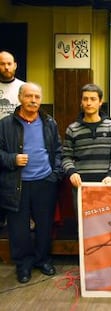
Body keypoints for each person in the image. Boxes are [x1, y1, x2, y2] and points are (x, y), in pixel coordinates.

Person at [0, 82, 62, 283]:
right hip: (17, 184)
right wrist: (12, 159)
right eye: (29, 96)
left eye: (37, 96)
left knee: (45, 226)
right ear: (20, 98)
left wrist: (55, 174)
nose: (33, 100)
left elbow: (58, 150)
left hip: (45, 182)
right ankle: (23, 265)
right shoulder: (5, 124)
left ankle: (43, 260)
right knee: (19, 229)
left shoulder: (49, 122)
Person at [62, 84, 111, 212]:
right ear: (81, 102)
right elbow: (66, 157)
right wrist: (72, 172)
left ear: (100, 102)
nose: (89, 103)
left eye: (93, 99)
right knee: (84, 228)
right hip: (82, 187)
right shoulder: (72, 129)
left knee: (107, 226)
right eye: (85, 99)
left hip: (106, 185)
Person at [0, 51, 25, 228]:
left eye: (9, 63)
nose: (6, 67)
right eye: (2, 64)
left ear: (15, 65)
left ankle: (13, 219)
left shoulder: (24, 88)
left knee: (13, 180)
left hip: (16, 139)